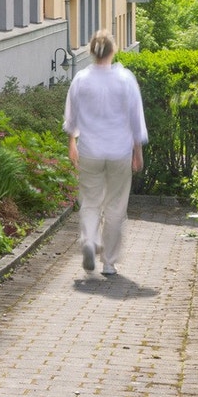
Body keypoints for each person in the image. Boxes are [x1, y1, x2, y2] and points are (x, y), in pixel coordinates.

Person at [62, 29, 148, 277]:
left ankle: (89, 240)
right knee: (115, 207)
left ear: (91, 52)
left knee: (90, 201)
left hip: (90, 150)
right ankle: (109, 263)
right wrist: (137, 151)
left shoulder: (81, 79)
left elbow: (72, 116)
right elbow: (135, 118)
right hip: (119, 152)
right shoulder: (125, 79)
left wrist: (72, 142)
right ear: (114, 51)